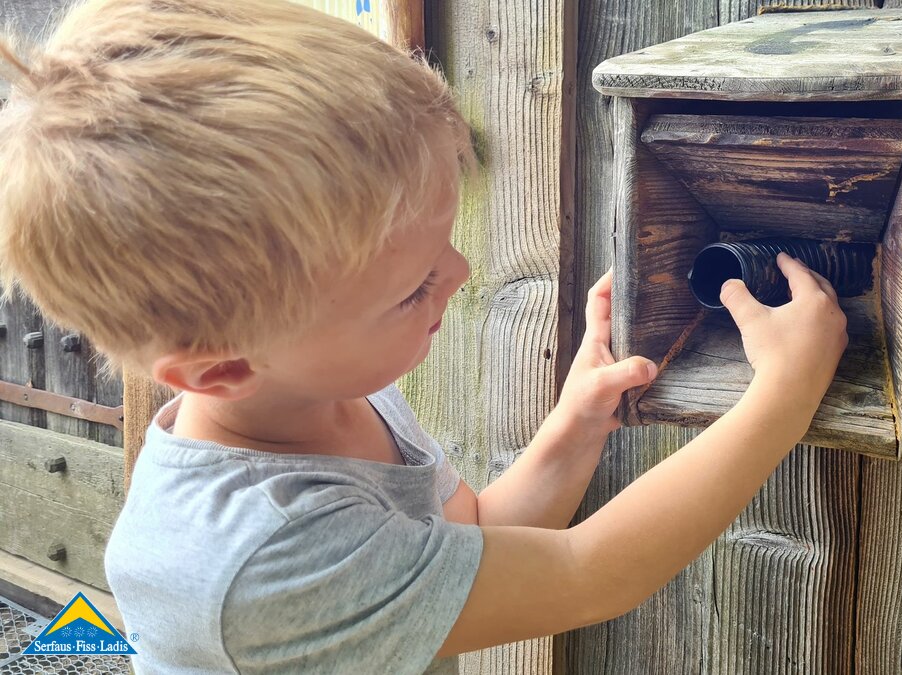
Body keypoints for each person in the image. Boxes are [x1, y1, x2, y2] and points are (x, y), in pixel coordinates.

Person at [0, 0, 847, 672]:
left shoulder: (325, 388)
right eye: (411, 289)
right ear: (222, 368)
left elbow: (473, 535)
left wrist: (578, 419)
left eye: (443, 246)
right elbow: (590, 573)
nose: (461, 273)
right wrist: (781, 397)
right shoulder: (269, 553)